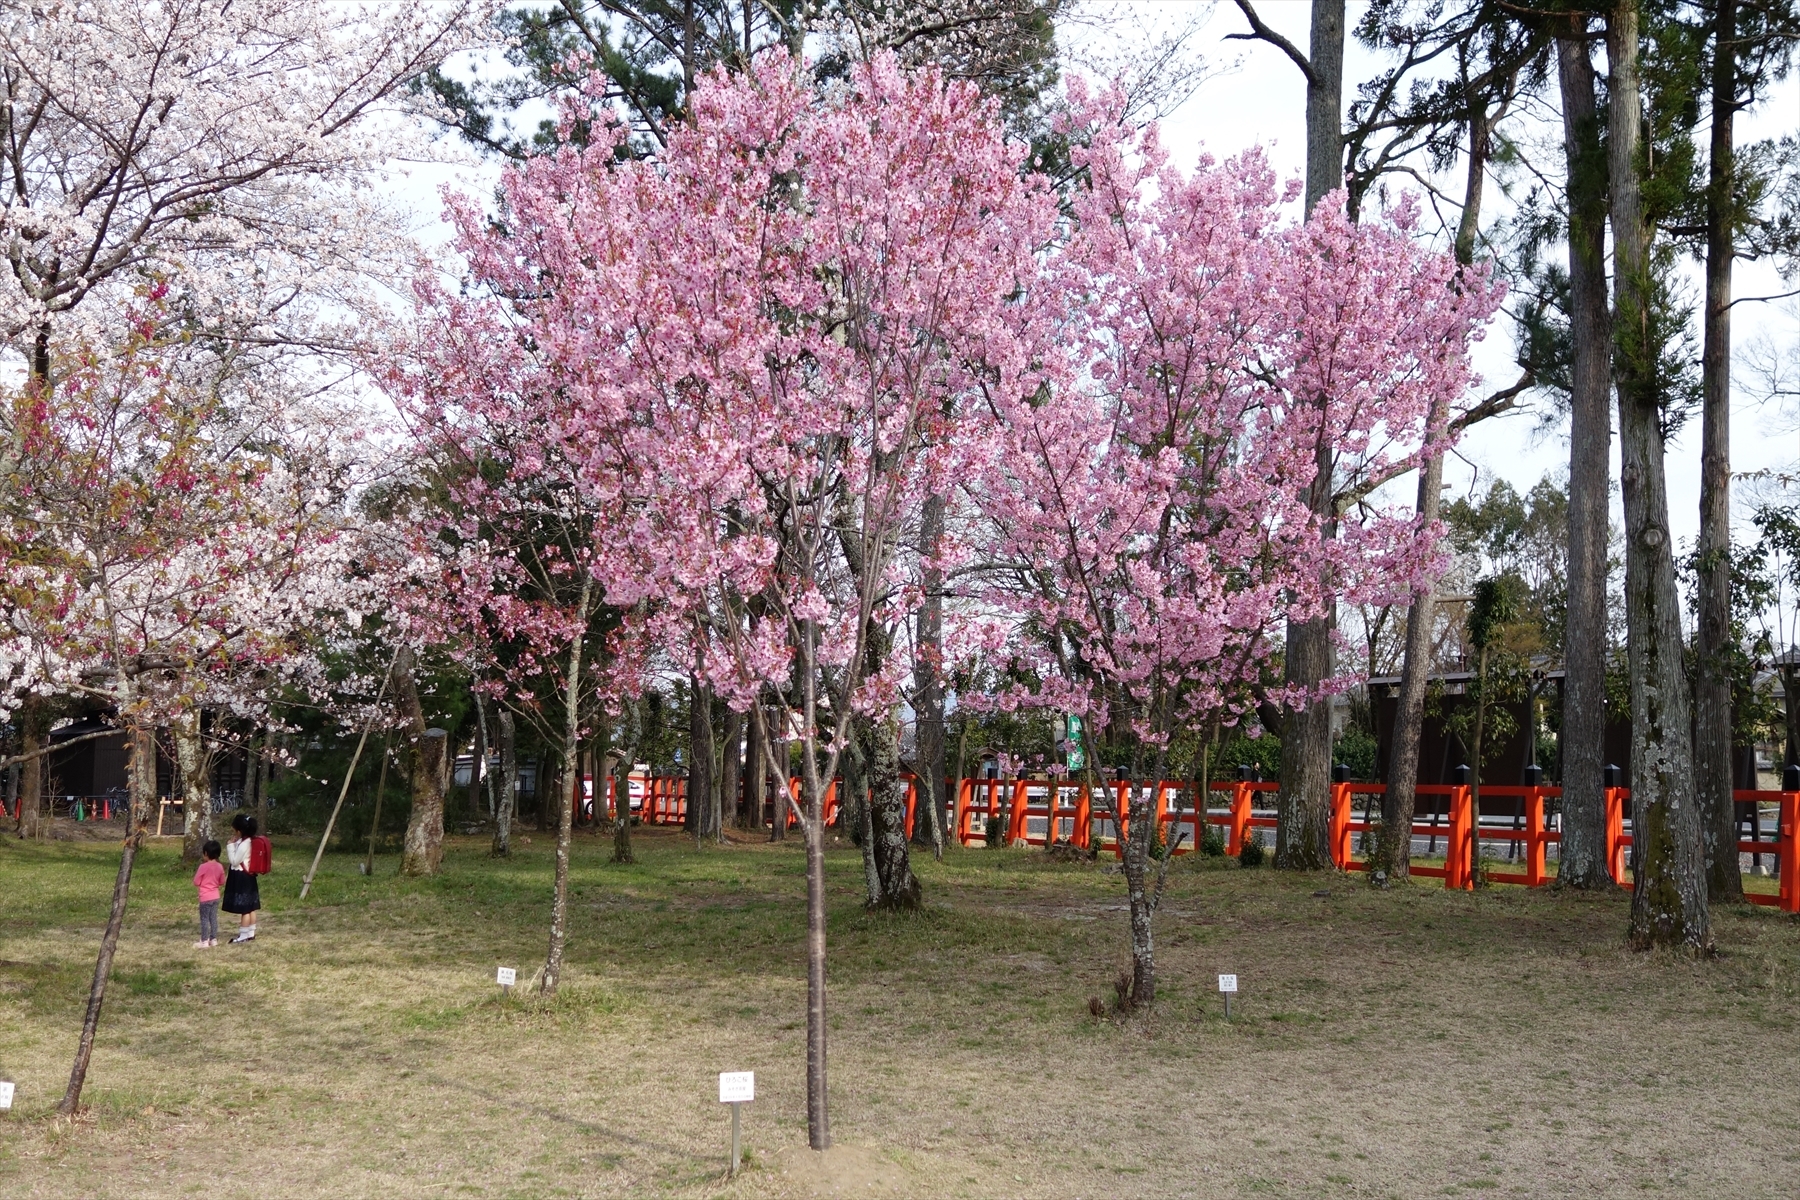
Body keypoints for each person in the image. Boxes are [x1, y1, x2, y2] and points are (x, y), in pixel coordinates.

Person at [222, 813, 261, 943]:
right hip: (249, 876)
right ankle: (251, 932)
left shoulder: (245, 844)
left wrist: (230, 846)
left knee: (245, 908)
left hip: (241, 876)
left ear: (240, 830)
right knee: (251, 906)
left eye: (235, 830)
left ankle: (243, 935)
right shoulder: (248, 841)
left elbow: (234, 861)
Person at [193, 839, 225, 948]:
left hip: (205, 897)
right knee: (213, 918)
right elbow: (222, 881)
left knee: (204, 919)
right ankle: (213, 939)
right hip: (215, 896)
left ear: (205, 853)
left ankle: (204, 940)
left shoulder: (203, 867)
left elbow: (196, 882)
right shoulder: (220, 866)